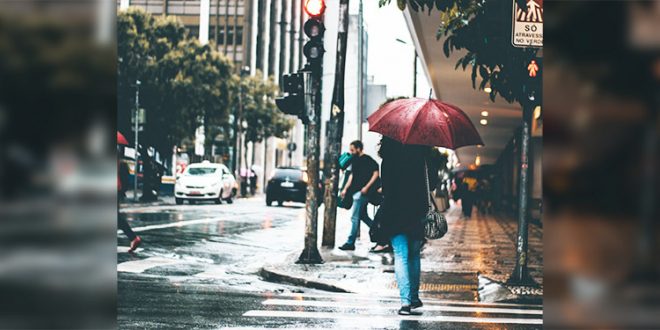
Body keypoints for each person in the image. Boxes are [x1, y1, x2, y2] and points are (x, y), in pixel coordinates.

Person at [378, 136, 438, 316]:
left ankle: (405, 302)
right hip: (417, 211)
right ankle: (414, 297)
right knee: (413, 255)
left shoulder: (388, 157)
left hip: (395, 212)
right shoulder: (423, 155)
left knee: (401, 256)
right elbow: (432, 184)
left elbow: (386, 189)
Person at [338, 140, 381, 251]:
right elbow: (352, 176)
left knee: (354, 217)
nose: (351, 152)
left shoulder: (368, 160)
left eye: (352, 150)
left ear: (359, 149)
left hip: (362, 193)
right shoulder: (355, 161)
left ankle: (350, 242)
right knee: (363, 216)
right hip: (355, 191)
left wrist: (367, 187)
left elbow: (376, 173)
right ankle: (382, 235)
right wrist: (345, 189)